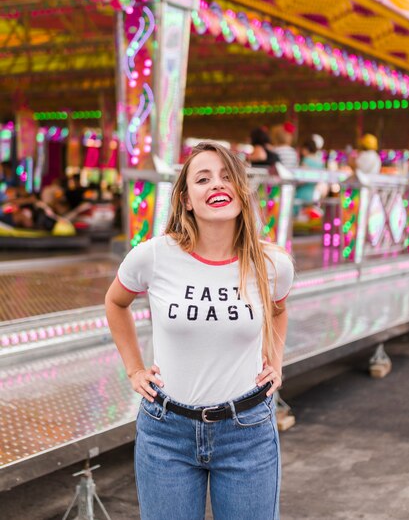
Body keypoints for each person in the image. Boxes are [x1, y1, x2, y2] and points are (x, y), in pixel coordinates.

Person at [105, 141, 294, 520]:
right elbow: (115, 303)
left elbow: (278, 310)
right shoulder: (154, 255)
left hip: (247, 431)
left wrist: (274, 362)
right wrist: (134, 370)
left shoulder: (272, 263)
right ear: (187, 199)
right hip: (165, 432)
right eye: (203, 179)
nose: (216, 185)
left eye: (226, 177)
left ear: (241, 191)